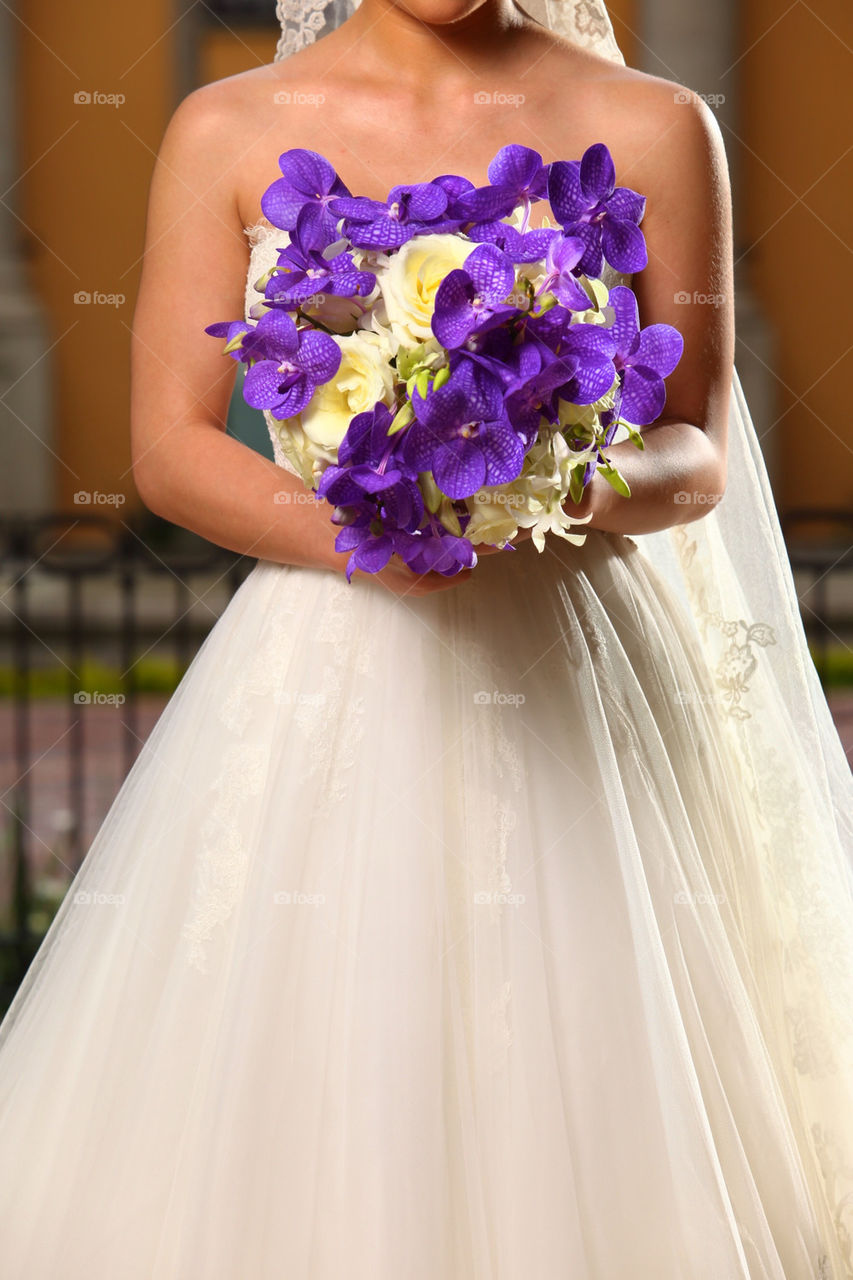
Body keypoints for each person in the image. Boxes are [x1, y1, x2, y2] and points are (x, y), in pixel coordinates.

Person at [1, 0, 852, 1275]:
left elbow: (698, 447)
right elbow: (168, 448)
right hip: (330, 650)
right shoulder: (227, 127)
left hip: (568, 646)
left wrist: (549, 486)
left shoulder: (659, 124)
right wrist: (375, 531)